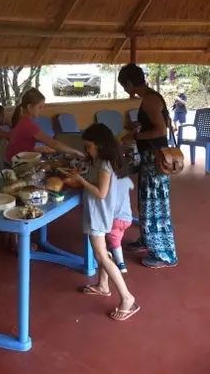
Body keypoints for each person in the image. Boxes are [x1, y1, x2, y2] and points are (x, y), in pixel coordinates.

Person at [69, 123, 139, 322]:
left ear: (99, 145)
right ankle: (103, 285)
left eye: (89, 147)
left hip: (99, 214)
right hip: (100, 213)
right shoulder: (103, 161)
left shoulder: (104, 164)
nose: (87, 150)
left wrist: (80, 181)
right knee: (102, 253)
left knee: (101, 255)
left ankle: (127, 298)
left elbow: (101, 193)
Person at [118, 63, 177, 269]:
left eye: (125, 86)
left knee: (155, 204)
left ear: (129, 83)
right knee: (145, 201)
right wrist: (139, 127)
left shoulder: (151, 100)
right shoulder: (150, 97)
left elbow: (160, 131)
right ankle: (146, 239)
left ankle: (163, 255)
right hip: (149, 156)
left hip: (155, 158)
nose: (127, 91)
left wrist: (134, 136)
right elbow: (155, 125)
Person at [5, 88, 84, 163]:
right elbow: (53, 143)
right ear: (29, 107)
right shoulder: (27, 124)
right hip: (16, 163)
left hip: (14, 159)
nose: (41, 110)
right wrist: (75, 151)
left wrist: (38, 149)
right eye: (39, 107)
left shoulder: (21, 120)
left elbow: (21, 145)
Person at [107, 177, 134, 274]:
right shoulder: (126, 179)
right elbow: (132, 186)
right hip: (127, 218)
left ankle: (121, 264)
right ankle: (113, 249)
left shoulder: (109, 181)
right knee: (119, 234)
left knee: (115, 242)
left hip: (115, 219)